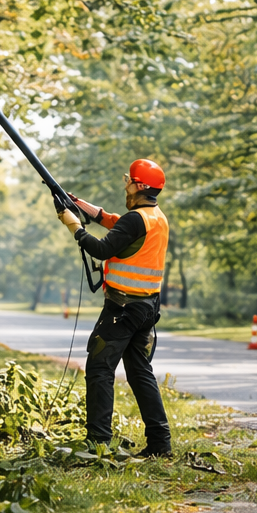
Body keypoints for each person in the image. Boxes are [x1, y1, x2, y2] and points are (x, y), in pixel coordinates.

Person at [58, 159, 172, 456]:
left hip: (122, 309)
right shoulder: (155, 217)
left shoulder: (136, 220)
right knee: (139, 372)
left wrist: (73, 225)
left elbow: (103, 248)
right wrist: (79, 205)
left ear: (140, 187)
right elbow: (115, 223)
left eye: (129, 181)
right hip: (146, 308)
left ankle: (98, 444)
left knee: (99, 368)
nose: (126, 185)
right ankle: (160, 443)